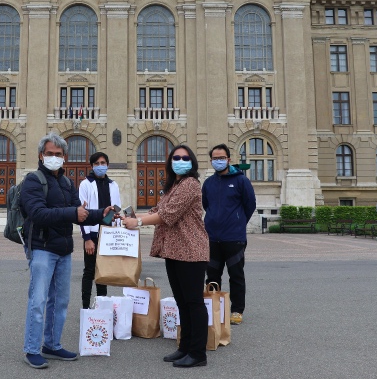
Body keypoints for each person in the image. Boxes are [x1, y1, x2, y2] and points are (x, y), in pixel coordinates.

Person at [20, 133, 113, 369]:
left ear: (65, 157)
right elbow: (38, 214)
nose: (54, 157)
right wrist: (74, 213)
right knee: (38, 300)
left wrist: (101, 214)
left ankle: (52, 344)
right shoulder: (33, 180)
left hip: (63, 249)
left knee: (60, 301)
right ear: (41, 155)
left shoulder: (66, 182)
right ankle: (32, 349)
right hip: (41, 248)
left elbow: (78, 211)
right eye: (50, 154)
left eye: (58, 155)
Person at [123, 144, 209, 368]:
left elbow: (168, 214)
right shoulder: (174, 185)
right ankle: (185, 347)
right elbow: (157, 210)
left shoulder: (190, 184)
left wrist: (138, 223)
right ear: (170, 162)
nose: (180, 160)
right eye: (176, 157)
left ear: (192, 162)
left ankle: (198, 353)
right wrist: (131, 217)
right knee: (182, 302)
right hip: (174, 250)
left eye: (185, 157)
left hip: (191, 250)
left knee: (194, 302)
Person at [202, 144, 256, 326]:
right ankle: (213, 308)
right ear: (211, 161)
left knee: (236, 275)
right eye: (215, 158)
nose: (218, 161)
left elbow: (250, 205)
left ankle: (237, 310)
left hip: (234, 238)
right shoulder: (209, 183)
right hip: (212, 238)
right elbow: (206, 205)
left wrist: (238, 222)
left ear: (228, 159)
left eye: (221, 158)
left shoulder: (241, 181)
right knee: (212, 276)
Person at [78, 151, 121, 309]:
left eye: (103, 163)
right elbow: (82, 212)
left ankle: (101, 305)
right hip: (92, 234)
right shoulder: (85, 184)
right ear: (92, 166)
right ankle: (85, 306)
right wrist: (87, 238)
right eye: (97, 164)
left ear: (107, 165)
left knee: (103, 271)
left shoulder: (113, 185)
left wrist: (112, 225)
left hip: (108, 234)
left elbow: (116, 209)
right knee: (89, 271)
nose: (100, 166)